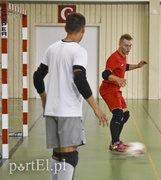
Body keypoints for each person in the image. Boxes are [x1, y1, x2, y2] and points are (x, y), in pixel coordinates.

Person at [33, 13, 108, 180]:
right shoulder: (78, 51)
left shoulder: (52, 48)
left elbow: (37, 77)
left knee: (58, 154)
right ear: (83, 29)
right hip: (69, 111)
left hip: (52, 111)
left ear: (65, 28)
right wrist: (96, 108)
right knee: (70, 154)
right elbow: (79, 79)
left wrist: (45, 99)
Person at [99, 34, 147, 152]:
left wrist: (138, 66)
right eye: (126, 46)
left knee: (125, 115)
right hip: (108, 88)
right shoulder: (114, 57)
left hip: (116, 89)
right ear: (120, 45)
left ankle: (116, 141)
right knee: (118, 114)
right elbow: (105, 74)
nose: (128, 48)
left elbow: (123, 67)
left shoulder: (123, 57)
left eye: (130, 46)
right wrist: (118, 79)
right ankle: (115, 143)